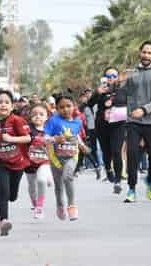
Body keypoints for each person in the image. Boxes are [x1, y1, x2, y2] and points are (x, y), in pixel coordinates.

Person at [123, 41, 151, 203]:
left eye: (149, 53)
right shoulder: (132, 73)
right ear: (140, 52)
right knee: (132, 153)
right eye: (144, 52)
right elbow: (124, 94)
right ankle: (131, 188)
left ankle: (150, 180)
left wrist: (143, 109)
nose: (146, 55)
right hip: (133, 121)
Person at [0, 90, 31, 236]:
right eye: (0, 102)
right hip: (0, 163)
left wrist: (11, 139)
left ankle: (8, 202)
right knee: (2, 191)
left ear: (12, 105)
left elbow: (27, 138)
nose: (3, 105)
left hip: (18, 162)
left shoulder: (17, 120)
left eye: (6, 102)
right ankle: (4, 221)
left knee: (12, 195)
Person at [44, 93, 89, 221]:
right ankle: (60, 206)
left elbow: (75, 136)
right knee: (58, 185)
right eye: (62, 107)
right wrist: (54, 139)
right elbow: (45, 138)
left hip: (72, 155)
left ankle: (72, 206)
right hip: (55, 157)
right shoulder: (53, 121)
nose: (66, 109)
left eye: (68, 106)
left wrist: (82, 145)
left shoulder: (78, 122)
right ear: (57, 109)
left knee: (68, 176)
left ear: (74, 106)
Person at [89, 67, 127, 194]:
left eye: (114, 76)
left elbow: (127, 102)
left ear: (117, 77)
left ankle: (118, 180)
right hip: (102, 125)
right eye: (108, 76)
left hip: (118, 125)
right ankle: (108, 169)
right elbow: (89, 104)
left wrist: (112, 100)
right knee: (106, 152)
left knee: (117, 152)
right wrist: (97, 93)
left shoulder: (122, 90)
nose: (111, 79)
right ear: (104, 78)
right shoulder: (100, 90)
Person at [25, 104, 53, 219]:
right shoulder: (27, 130)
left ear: (46, 117)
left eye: (41, 114)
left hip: (44, 161)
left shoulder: (50, 130)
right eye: (35, 114)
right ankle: (35, 204)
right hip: (29, 162)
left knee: (41, 180)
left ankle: (40, 206)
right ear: (30, 117)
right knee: (32, 186)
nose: (38, 117)